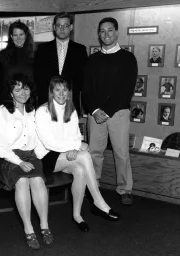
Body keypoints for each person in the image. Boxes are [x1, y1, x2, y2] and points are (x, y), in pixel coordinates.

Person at [36, 76, 120, 232]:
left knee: (80, 170)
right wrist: (76, 147)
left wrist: (75, 147)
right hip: (45, 157)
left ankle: (77, 215)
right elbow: (48, 143)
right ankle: (98, 201)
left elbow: (75, 136)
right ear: (51, 92)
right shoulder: (42, 111)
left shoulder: (71, 110)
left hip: (64, 155)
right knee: (85, 154)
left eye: (64, 90)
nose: (61, 93)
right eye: (57, 89)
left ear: (69, 92)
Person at [0, 73, 53, 250]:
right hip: (7, 157)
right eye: (17, 89)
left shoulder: (35, 111)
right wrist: (19, 162)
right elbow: (1, 147)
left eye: (25, 88)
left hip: (31, 155)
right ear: (10, 93)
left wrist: (36, 157)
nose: (22, 92)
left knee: (38, 180)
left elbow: (43, 137)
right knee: (23, 180)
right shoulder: (0, 113)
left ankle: (44, 225)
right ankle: (28, 228)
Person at [82, 17, 138, 205]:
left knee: (121, 152)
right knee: (95, 152)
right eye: (102, 31)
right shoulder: (92, 60)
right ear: (99, 34)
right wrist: (95, 110)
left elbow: (126, 88)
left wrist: (106, 110)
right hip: (95, 114)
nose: (106, 34)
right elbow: (86, 89)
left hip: (118, 112)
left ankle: (125, 189)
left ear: (116, 32)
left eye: (110, 30)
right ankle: (94, 186)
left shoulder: (128, 58)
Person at [34, 12, 88, 112]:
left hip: (71, 104)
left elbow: (83, 80)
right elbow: (37, 78)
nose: (62, 28)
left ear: (71, 27)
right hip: (46, 104)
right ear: (54, 27)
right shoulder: (42, 49)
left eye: (66, 25)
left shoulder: (80, 50)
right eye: (59, 25)